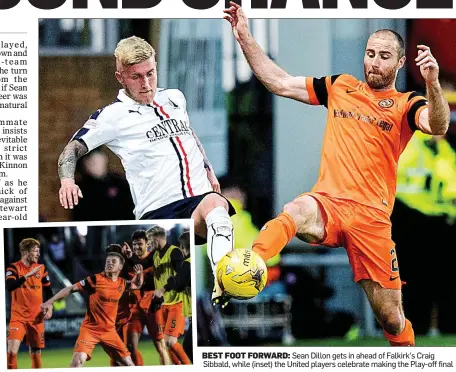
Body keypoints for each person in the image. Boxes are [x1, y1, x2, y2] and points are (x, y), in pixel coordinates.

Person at [224, 2, 450, 346]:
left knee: (392, 319)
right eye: (370, 53)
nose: (374, 62)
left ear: (400, 63)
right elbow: (280, 82)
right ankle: (250, 260)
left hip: (372, 219)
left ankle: (407, 358)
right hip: (328, 202)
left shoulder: (407, 104)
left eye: (384, 56)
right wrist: (244, 37)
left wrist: (432, 83)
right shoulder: (340, 86)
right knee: (296, 209)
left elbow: (438, 124)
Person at [57, 36, 235, 305]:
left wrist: (208, 168)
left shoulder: (174, 97)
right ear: (120, 77)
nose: (146, 83)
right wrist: (67, 180)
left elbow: (189, 133)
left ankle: (226, 279)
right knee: (156, 297)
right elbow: (72, 149)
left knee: (216, 206)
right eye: (136, 77)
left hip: (197, 199)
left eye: (150, 73)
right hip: (159, 211)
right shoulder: (112, 116)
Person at [40, 251, 143, 367]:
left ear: (120, 266)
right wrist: (50, 301)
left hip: (109, 331)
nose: (109, 263)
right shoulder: (95, 279)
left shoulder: (122, 283)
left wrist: (139, 274)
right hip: (90, 330)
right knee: (77, 363)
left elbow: (137, 285)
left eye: (113, 261)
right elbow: (71, 288)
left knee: (129, 365)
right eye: (108, 261)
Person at [117, 231, 170, 366]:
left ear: (147, 244)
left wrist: (130, 257)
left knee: (160, 347)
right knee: (129, 347)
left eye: (140, 244)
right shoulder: (129, 262)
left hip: (152, 306)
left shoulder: (154, 257)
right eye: (134, 244)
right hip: (135, 308)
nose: (136, 247)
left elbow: (144, 266)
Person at [144, 225, 191, 364]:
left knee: (169, 341)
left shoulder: (174, 252)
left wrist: (163, 289)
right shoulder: (156, 255)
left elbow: (180, 279)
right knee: (165, 344)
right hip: (163, 305)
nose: (148, 243)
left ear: (157, 238)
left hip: (176, 303)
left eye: (150, 240)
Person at [6, 238, 53, 369]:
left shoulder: (41, 268)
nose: (38, 254)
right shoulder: (13, 268)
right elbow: (10, 286)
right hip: (18, 317)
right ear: (26, 253)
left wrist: (50, 306)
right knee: (11, 352)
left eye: (39, 251)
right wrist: (27, 275)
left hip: (36, 318)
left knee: (36, 352)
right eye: (35, 251)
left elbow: (48, 290)